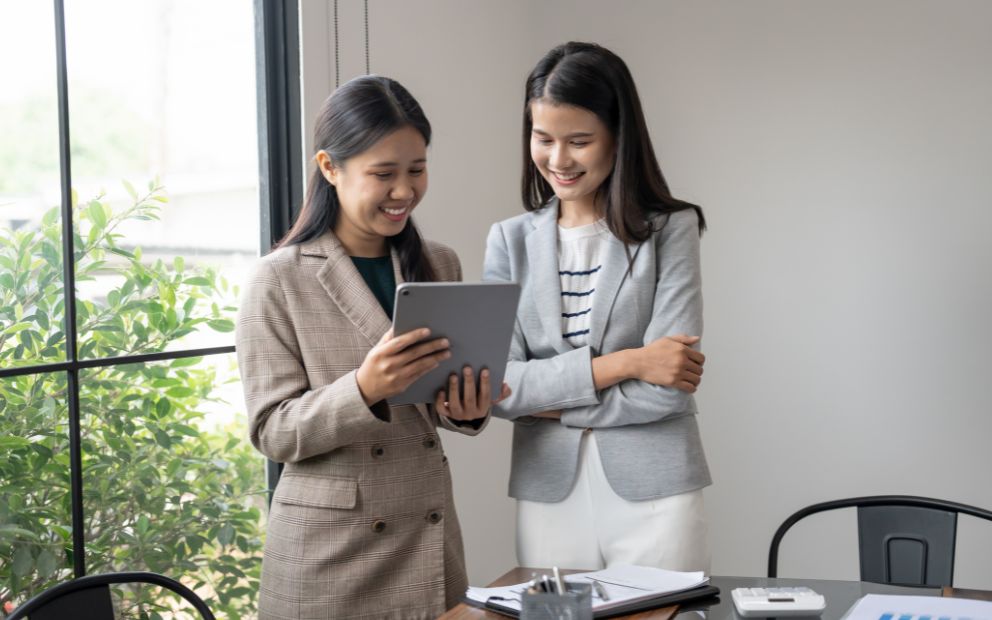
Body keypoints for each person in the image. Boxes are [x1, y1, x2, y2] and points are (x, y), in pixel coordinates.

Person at [236, 75, 507, 619]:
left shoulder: (439, 263)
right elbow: (272, 430)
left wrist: (468, 408)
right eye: (383, 174)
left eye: (417, 170)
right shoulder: (278, 279)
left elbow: (435, 407)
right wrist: (364, 389)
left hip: (428, 535)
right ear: (330, 167)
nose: (404, 191)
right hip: (330, 555)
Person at [483, 42, 711, 572]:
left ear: (618, 138)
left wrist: (543, 398)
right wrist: (629, 363)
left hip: (657, 493)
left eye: (579, 141)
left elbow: (666, 390)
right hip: (548, 493)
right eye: (543, 139)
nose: (558, 160)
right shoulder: (509, 241)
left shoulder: (670, 231)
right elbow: (498, 387)